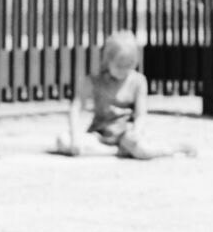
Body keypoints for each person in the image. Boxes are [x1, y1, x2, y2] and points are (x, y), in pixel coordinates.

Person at [55, 30, 194, 160]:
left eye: (129, 66)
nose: (124, 71)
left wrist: (136, 131)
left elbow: (140, 114)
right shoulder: (93, 80)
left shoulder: (138, 81)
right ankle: (116, 152)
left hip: (126, 135)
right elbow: (76, 107)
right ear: (108, 60)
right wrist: (75, 136)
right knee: (63, 141)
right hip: (99, 134)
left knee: (143, 150)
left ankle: (173, 149)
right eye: (119, 66)